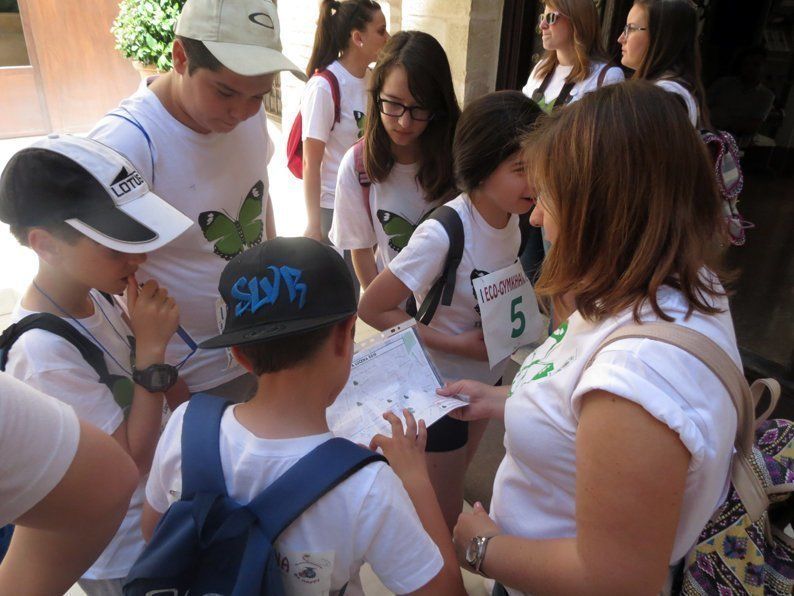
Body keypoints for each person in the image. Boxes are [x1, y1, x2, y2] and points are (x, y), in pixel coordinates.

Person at [445, 81, 737, 594]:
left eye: (550, 200)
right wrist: (499, 400)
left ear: (603, 211)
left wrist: (484, 548)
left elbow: (616, 580)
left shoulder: (639, 382)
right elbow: (578, 413)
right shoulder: (667, 285)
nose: (535, 217)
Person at [143, 237, 466, 596]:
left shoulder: (184, 425)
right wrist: (415, 479)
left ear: (240, 355)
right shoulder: (367, 487)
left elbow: (154, 532)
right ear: (347, 336)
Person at [0, 135, 192, 594]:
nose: (139, 257)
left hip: (163, 513)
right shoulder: (43, 354)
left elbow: (175, 403)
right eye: (115, 246)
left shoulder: (99, 295)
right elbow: (125, 464)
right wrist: (150, 352)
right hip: (124, 551)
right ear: (46, 245)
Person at [90, 0, 305, 400]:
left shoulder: (248, 114)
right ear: (180, 57)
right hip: (189, 375)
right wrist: (162, 381)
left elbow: (258, 195)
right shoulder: (127, 144)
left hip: (259, 342)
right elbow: (94, 281)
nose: (241, 112)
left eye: (258, 96)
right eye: (225, 92)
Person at [358, 91, 544, 530]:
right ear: (481, 166)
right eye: (521, 169)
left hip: (487, 377)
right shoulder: (442, 234)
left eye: (538, 165)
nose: (535, 181)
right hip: (438, 390)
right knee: (439, 516)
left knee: (455, 479)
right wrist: (454, 342)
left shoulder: (513, 222)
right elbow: (372, 307)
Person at [329, 30, 460, 289]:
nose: (404, 122)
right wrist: (385, 312)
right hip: (398, 310)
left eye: (419, 107)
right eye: (393, 104)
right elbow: (361, 249)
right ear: (376, 96)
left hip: (456, 310)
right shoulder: (358, 165)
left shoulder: (459, 153)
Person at [0, 373, 138, 595]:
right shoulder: (40, 354)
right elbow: (113, 475)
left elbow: (103, 480)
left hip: (128, 541)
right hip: (118, 552)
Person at [300, 0, 389, 290]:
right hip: (333, 206)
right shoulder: (325, 86)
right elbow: (310, 162)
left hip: (368, 200)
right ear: (357, 37)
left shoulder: (374, 80)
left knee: (364, 285)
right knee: (342, 291)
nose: (387, 38)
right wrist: (314, 224)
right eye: (381, 31)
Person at [522, 0, 624, 114]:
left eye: (551, 17)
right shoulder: (541, 68)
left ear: (577, 21)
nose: (542, 25)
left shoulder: (608, 77)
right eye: (542, 17)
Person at [619, 0, 709, 127]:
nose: (621, 38)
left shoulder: (663, 96)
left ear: (661, 36)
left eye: (631, 28)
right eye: (625, 28)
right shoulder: (665, 91)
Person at [708, 46, 776, 148]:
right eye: (746, 64)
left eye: (756, 65)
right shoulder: (722, 84)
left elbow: (753, 126)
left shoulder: (766, 96)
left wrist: (725, 120)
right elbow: (702, 105)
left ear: (764, 67)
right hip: (708, 131)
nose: (750, 68)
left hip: (737, 143)